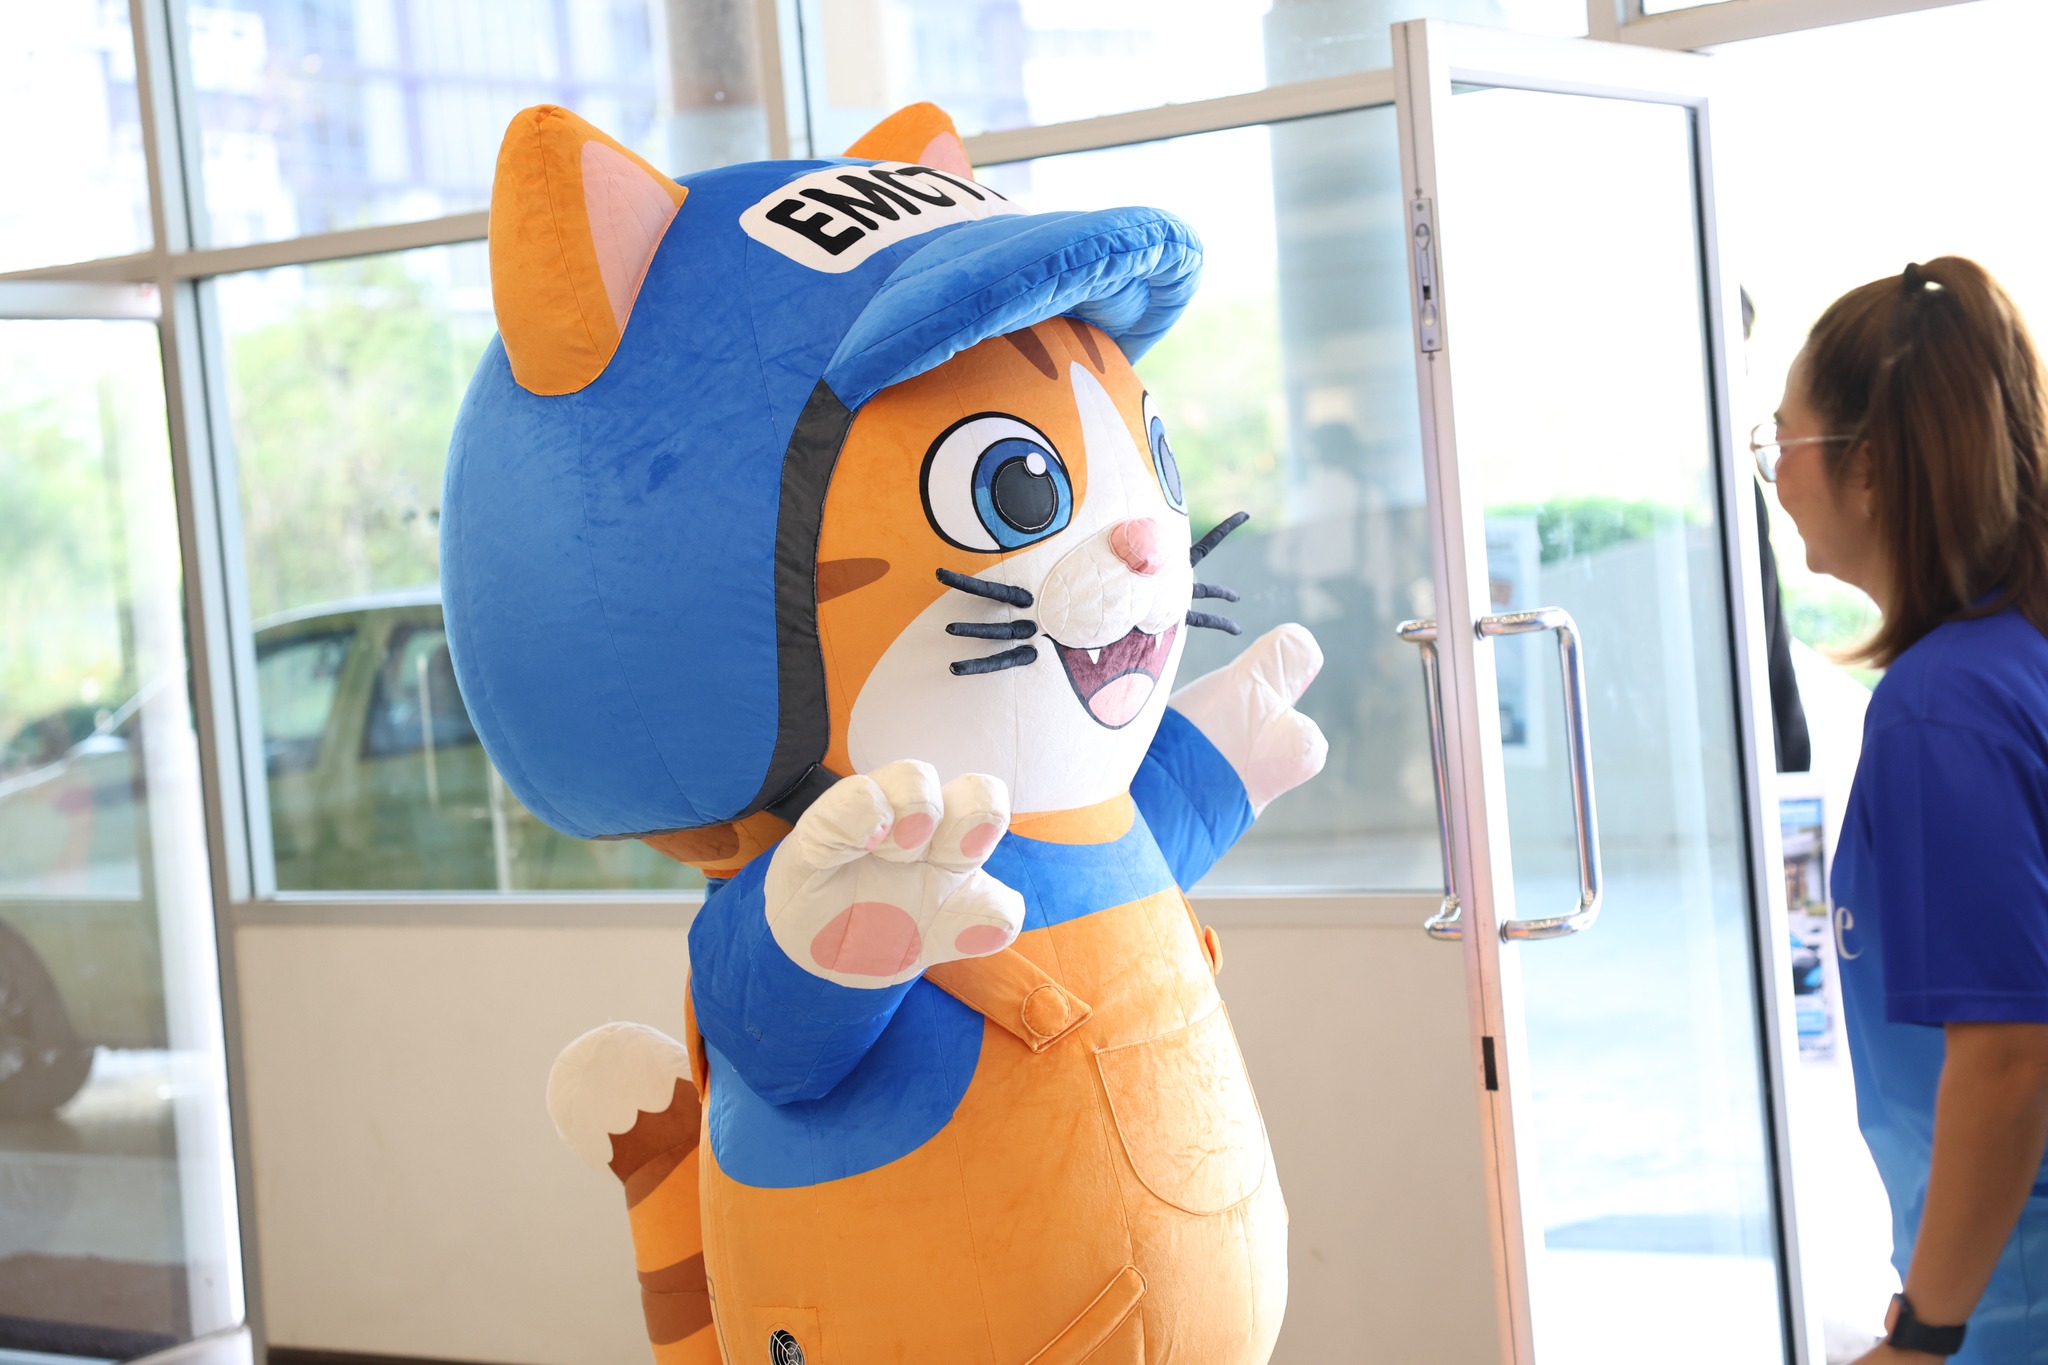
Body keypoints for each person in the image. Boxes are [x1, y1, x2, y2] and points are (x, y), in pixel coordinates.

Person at [1759, 256, 2048, 1363]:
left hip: (2014, 1295)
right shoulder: (2012, 656)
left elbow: (2009, 1055)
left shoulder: (1941, 708)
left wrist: (1924, 1335)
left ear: (1868, 466)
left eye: (1783, 441)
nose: (1776, 476)